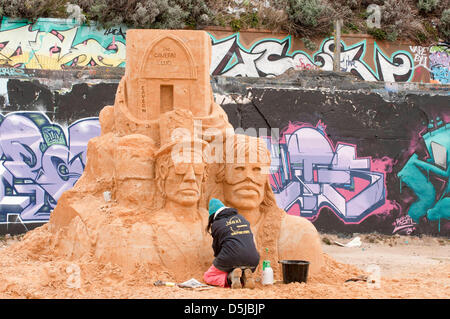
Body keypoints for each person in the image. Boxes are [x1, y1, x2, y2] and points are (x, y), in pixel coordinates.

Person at [203, 198, 260, 289]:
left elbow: (217, 248)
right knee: (238, 267)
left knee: (208, 276)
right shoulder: (242, 218)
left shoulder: (217, 224)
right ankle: (244, 277)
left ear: (213, 215)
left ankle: (230, 278)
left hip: (230, 258)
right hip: (253, 260)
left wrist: (219, 261)